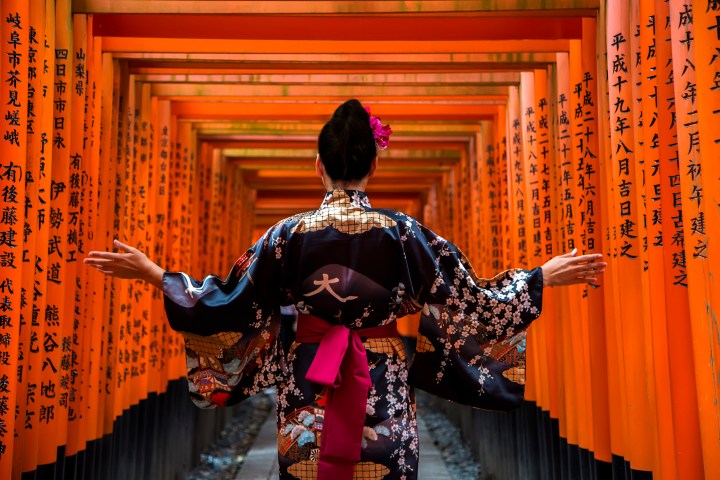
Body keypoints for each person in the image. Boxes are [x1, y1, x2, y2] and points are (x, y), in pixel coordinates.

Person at [85, 99, 605, 480]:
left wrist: (155, 274)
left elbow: (231, 302)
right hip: (383, 378)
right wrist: (542, 277)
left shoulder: (284, 235)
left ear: (318, 165)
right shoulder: (404, 233)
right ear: (374, 164)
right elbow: (469, 300)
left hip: (308, 381)